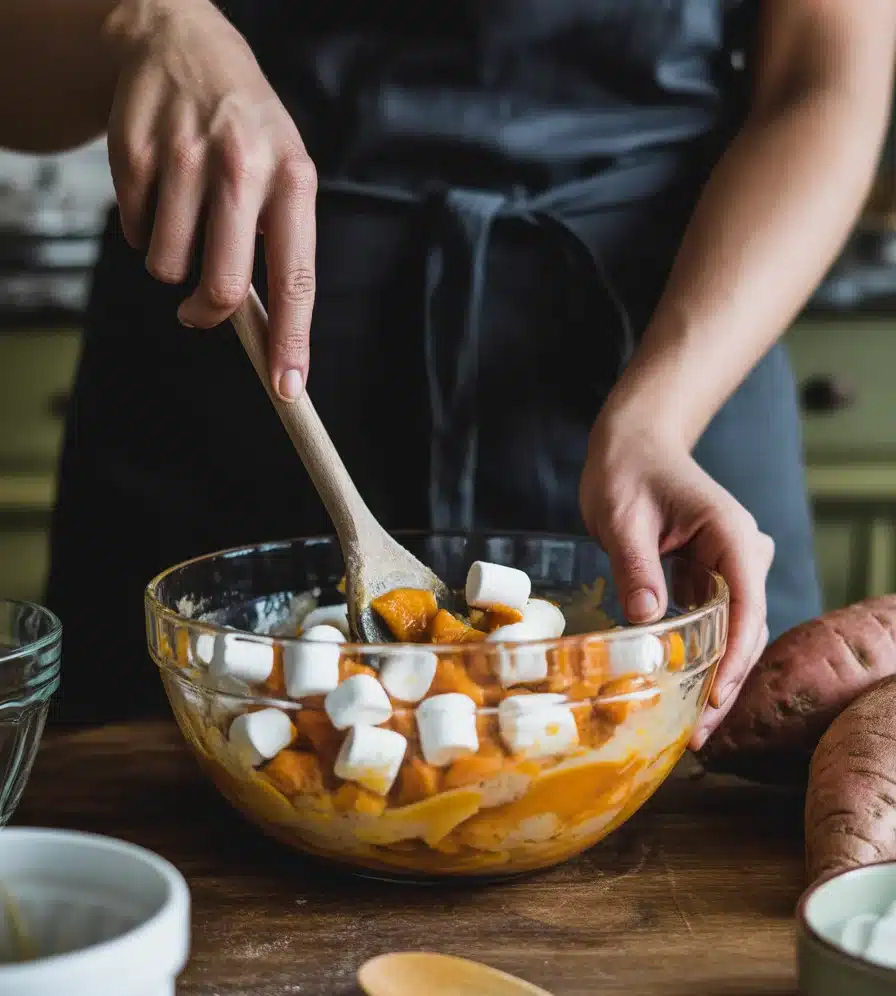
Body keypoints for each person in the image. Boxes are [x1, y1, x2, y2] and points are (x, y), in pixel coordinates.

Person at [1, 2, 893, 735]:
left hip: (671, 360)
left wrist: (663, 413)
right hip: (232, 353)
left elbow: (826, 83)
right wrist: (142, 21)